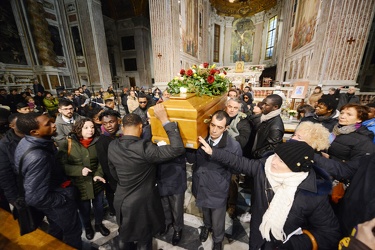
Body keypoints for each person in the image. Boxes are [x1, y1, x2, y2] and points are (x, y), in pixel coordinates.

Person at [199, 139, 341, 249]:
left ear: (295, 169)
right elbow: (240, 162)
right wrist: (214, 152)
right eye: (276, 156)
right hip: (258, 234)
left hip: (283, 244)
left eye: (281, 161)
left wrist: (293, 244)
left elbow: (329, 233)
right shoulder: (263, 167)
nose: (273, 162)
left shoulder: (313, 194)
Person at [108, 104, 185, 249]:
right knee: (144, 239)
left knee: (125, 235)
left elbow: (113, 172)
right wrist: (164, 120)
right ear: (140, 128)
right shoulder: (145, 148)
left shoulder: (112, 146)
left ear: (123, 128)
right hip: (142, 204)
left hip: (121, 200)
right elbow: (177, 148)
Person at [14, 113, 82, 249]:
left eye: (51, 121)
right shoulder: (38, 156)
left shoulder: (29, 141)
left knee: (56, 228)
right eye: (48, 124)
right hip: (56, 201)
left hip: (52, 194)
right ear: (34, 132)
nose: (53, 124)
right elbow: (35, 197)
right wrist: (63, 198)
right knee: (73, 232)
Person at [187, 110, 242, 250]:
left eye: (219, 127)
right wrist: (189, 145)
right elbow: (191, 160)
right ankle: (206, 226)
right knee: (204, 210)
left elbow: (237, 169)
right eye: (212, 125)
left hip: (218, 187)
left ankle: (218, 240)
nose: (214, 130)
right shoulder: (201, 138)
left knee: (218, 219)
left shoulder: (233, 146)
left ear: (226, 128)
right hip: (200, 184)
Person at [58, 118, 109, 240]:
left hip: (96, 182)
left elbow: (102, 162)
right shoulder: (68, 143)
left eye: (92, 127)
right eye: (86, 127)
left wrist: (99, 174)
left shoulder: (98, 142)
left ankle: (98, 224)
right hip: (79, 184)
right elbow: (61, 165)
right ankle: (87, 227)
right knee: (84, 208)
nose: (90, 130)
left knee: (99, 206)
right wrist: (79, 171)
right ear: (78, 129)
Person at [96, 110, 122, 216]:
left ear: (118, 121)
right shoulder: (102, 142)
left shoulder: (121, 135)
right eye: (105, 124)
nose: (108, 126)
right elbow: (106, 166)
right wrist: (115, 182)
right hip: (114, 180)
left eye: (111, 122)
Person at [157, 154, 186, 246]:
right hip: (161, 172)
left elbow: (191, 158)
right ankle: (167, 222)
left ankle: (178, 228)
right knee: (164, 204)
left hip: (177, 175)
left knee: (177, 208)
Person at [0, 114, 24, 209]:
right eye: (19, 123)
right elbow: (5, 174)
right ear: (12, 126)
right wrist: (14, 198)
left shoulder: (36, 135)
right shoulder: (5, 145)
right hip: (22, 191)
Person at [252, 94, 284, 159]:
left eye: (266, 105)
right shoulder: (266, 118)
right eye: (263, 103)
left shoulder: (276, 127)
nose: (263, 106)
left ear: (275, 107)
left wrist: (256, 154)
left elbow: (272, 149)